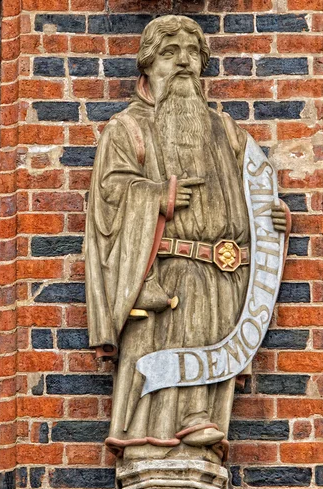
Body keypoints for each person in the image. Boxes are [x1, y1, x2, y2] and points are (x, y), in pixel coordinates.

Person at [85, 15, 287, 461]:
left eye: (192, 54)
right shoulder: (128, 129)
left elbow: (253, 193)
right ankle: (156, 446)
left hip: (226, 276)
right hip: (167, 272)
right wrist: (158, 195)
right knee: (171, 352)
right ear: (148, 64)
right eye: (170, 53)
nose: (183, 63)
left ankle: (198, 432)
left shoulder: (227, 133)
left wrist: (273, 217)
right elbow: (110, 194)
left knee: (209, 348)